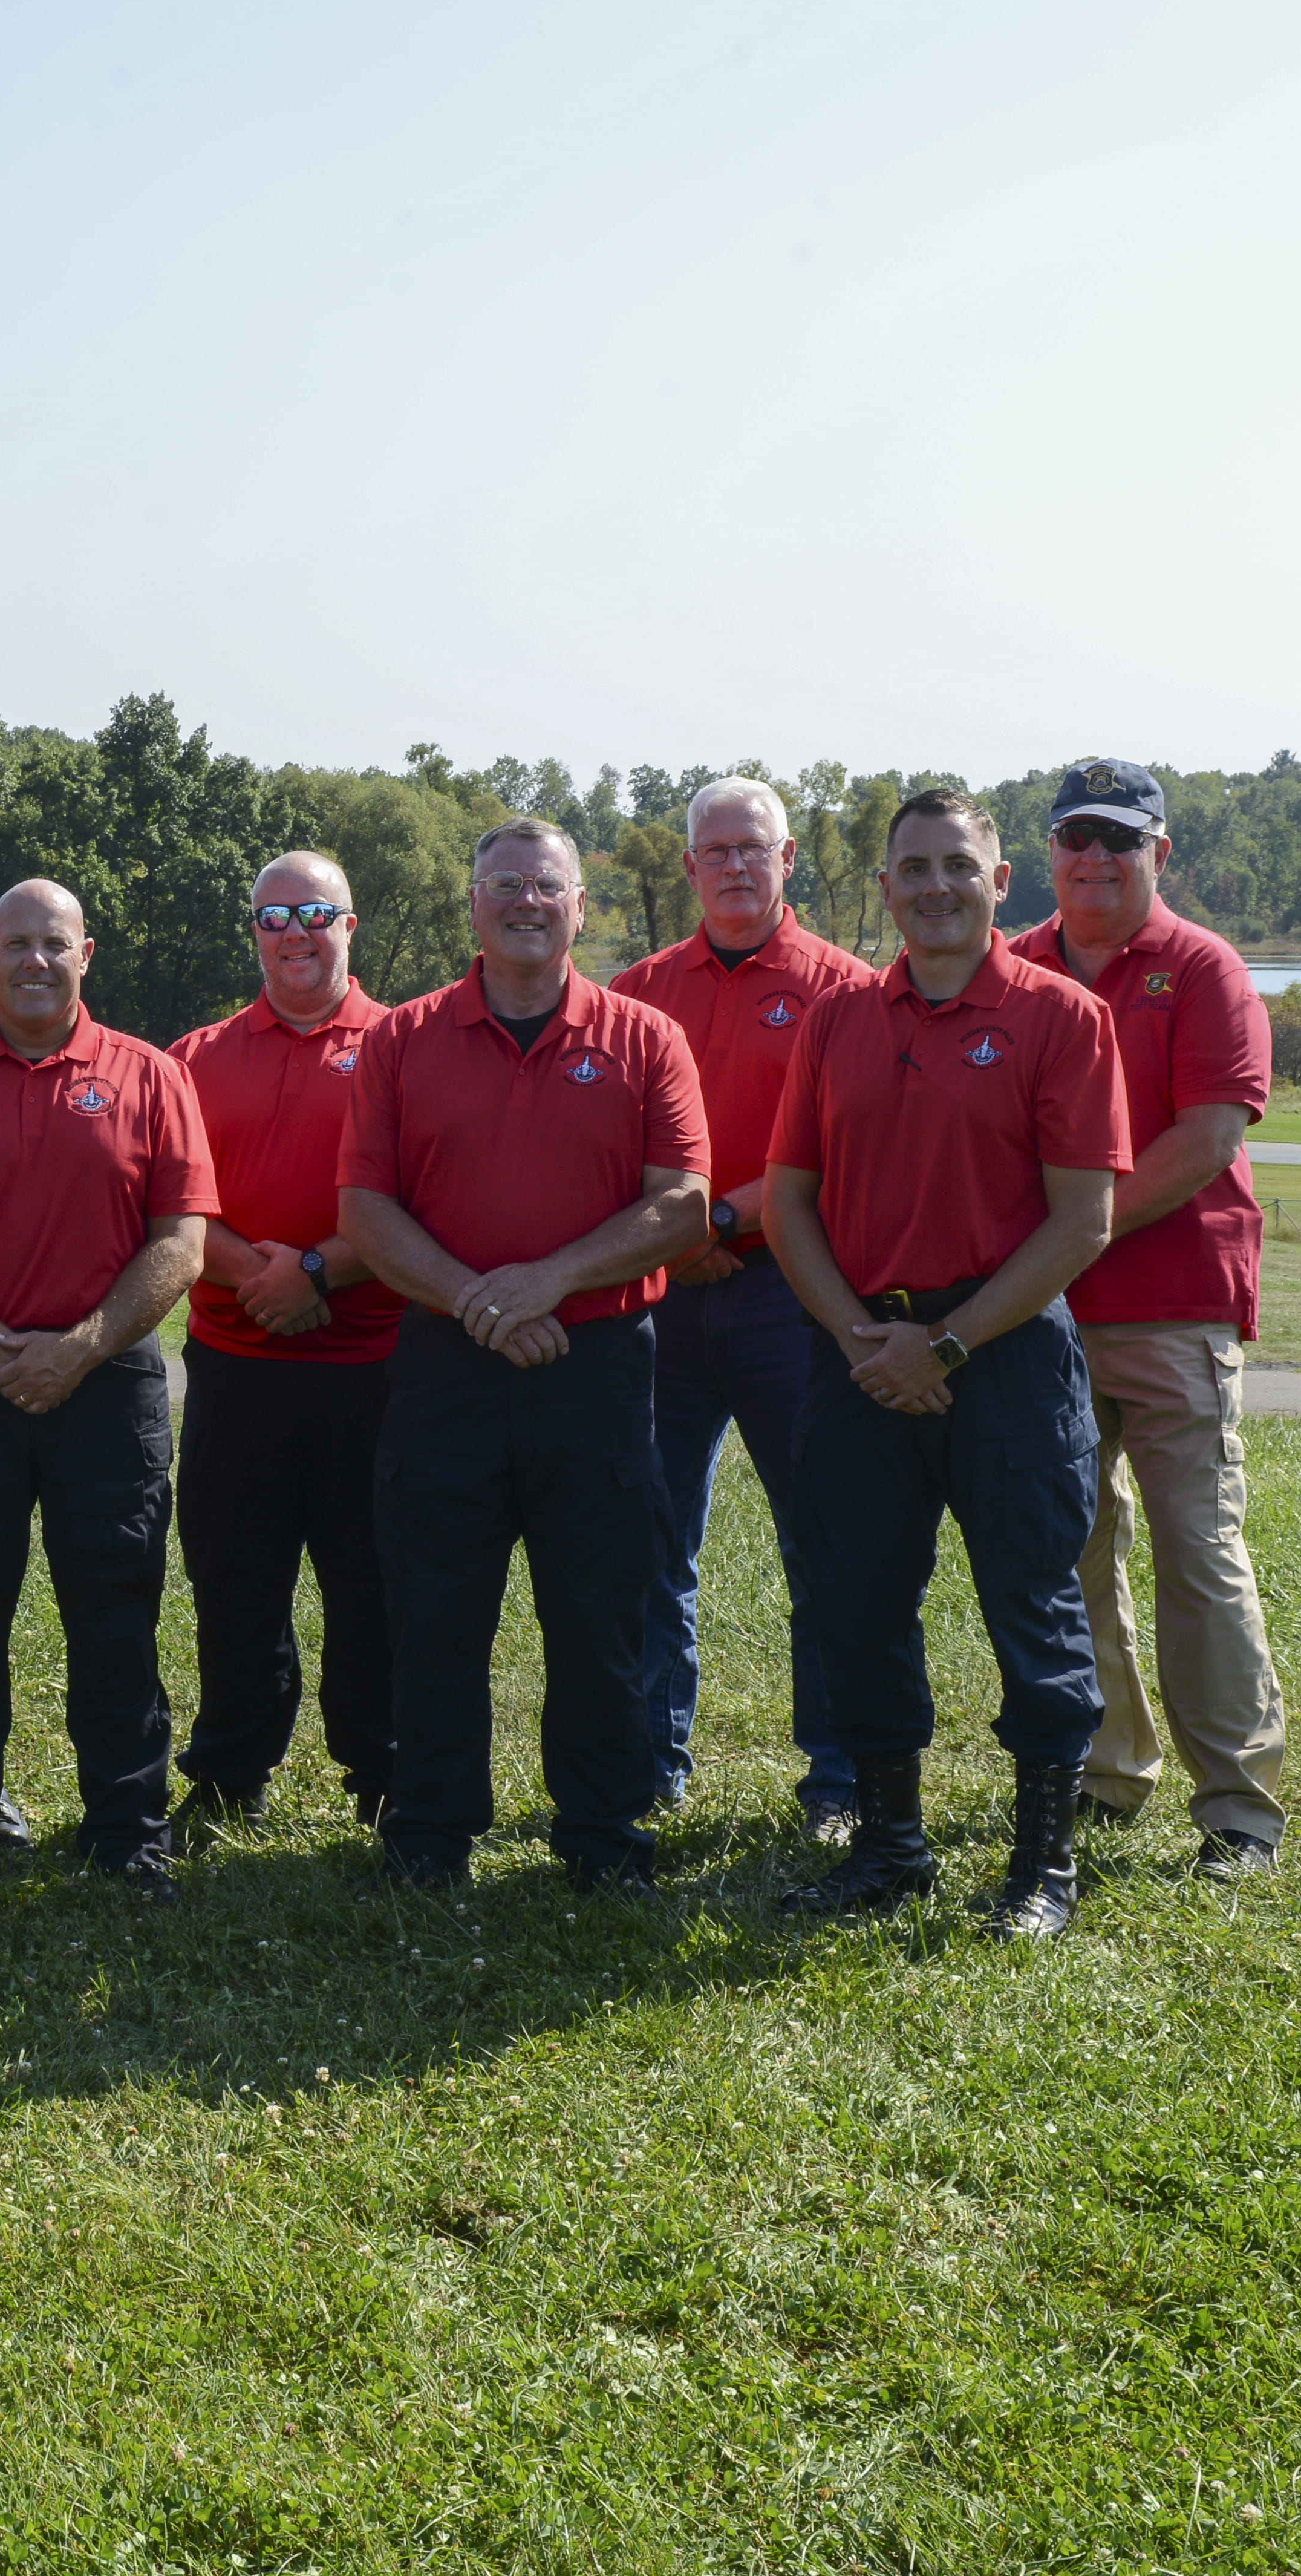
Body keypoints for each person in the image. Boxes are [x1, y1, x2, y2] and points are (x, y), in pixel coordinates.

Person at [760, 789, 1130, 1938]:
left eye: (955, 866)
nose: (933, 886)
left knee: (1031, 1603)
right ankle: (889, 1846)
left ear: (998, 878)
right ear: (883, 890)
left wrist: (952, 1341)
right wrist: (860, 1339)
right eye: (910, 868)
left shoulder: (1061, 1016)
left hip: (1007, 1358)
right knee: (859, 1605)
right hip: (862, 1354)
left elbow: (1083, 1222)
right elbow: (785, 1201)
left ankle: (1041, 1869)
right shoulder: (834, 1021)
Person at [338, 820, 711, 1891]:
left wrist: (546, 1281)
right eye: (503, 885)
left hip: (594, 1364)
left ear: (579, 907)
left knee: (599, 1610)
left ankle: (601, 1830)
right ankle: (431, 1829)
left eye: (546, 886)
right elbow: (363, 1206)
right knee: (436, 1607)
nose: (525, 902)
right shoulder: (402, 1039)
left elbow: (682, 1204)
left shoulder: (645, 1038)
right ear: (472, 906)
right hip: (444, 1363)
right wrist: (477, 1302)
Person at [0, 878, 217, 1896]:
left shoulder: (149, 1076)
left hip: (106, 1386)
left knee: (114, 1606)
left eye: (52, 943)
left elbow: (181, 1242)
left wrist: (78, 1346)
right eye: (14, 942)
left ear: (85, 954)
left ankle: (124, 1824)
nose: (33, 961)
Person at [1006, 759, 1290, 1881]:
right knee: (1069, 1551)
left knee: (1196, 1551)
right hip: (1044, 1317)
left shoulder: (1201, 969)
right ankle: (1108, 1765)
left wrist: (1076, 1229)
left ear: (1157, 854)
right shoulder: (1013, 965)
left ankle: (1238, 1808)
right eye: (1076, 835)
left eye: (1119, 839)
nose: (1095, 857)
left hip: (1172, 1307)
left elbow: (1207, 1137)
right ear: (1048, 853)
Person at [608, 775, 874, 1836]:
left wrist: (711, 1222)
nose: (731, 865)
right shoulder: (636, 991)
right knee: (647, 1537)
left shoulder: (844, 988)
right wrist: (677, 1239)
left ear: (788, 858)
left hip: (785, 1291)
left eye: (750, 848)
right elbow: (608, 1147)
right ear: (686, 867)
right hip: (661, 1302)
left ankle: (840, 1777)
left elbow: (838, 1148)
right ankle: (648, 1759)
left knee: (821, 1534)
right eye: (712, 850)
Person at [161, 851, 400, 1832]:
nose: (293, 931)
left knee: (374, 1584)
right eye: (273, 916)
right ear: (251, 931)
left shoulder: (403, 1044)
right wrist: (260, 1278)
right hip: (238, 1364)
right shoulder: (196, 1054)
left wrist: (316, 1272)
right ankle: (227, 1774)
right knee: (233, 1581)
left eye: (314, 912)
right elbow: (170, 1200)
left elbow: (420, 1201)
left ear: (350, 924)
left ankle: (384, 1776)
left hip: (375, 1366)